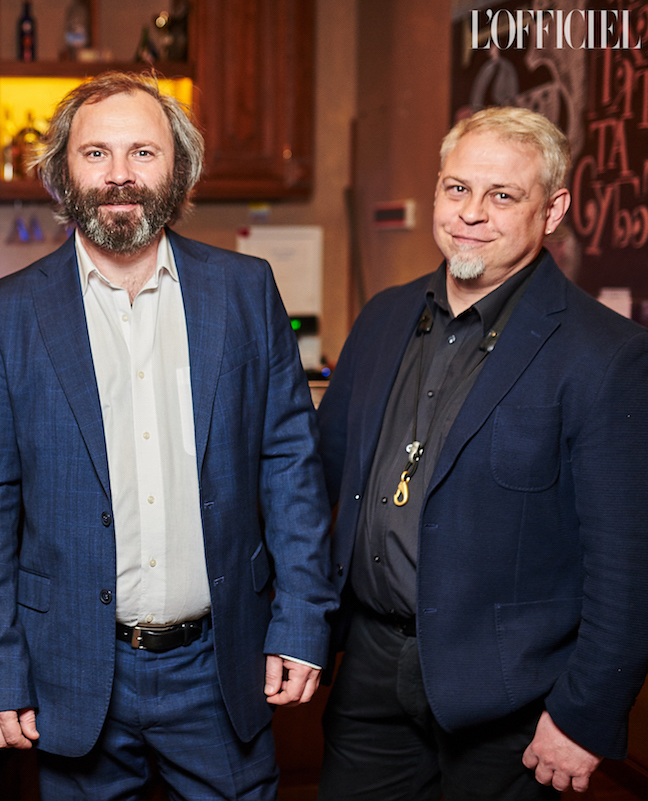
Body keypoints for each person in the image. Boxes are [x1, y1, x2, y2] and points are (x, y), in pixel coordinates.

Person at [0, 70, 337, 799]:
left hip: (222, 662)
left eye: (143, 152)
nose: (119, 175)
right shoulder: (6, 315)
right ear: (63, 172)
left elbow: (289, 463)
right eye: (96, 153)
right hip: (72, 668)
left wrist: (302, 621)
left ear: (179, 168)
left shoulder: (245, 289)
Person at [316, 106, 648, 800]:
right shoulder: (382, 317)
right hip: (369, 670)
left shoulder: (607, 355)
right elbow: (320, 485)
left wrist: (586, 713)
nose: (471, 213)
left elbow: (628, 563)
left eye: (503, 196)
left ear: (552, 210)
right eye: (457, 188)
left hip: (514, 696)